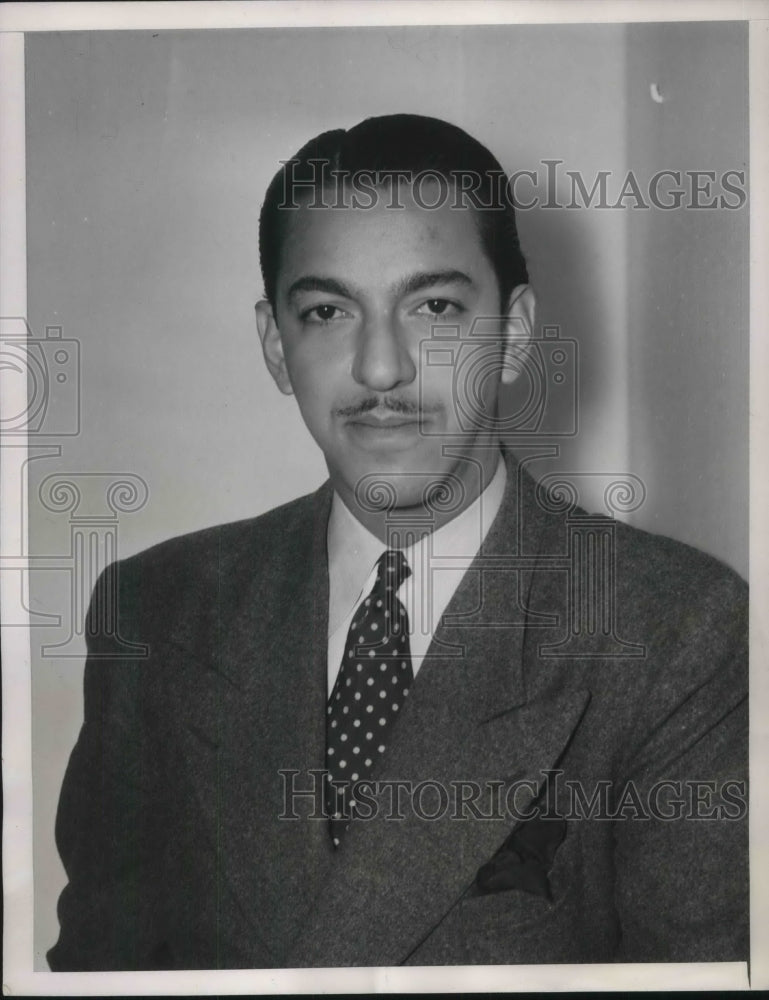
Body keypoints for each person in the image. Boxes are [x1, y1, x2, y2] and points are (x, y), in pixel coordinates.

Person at [47, 114, 748, 970]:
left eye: (435, 306)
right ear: (276, 345)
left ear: (515, 332)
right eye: (327, 310)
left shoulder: (675, 630)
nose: (381, 368)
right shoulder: (155, 610)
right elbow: (101, 968)